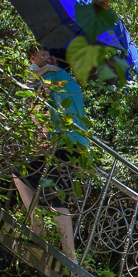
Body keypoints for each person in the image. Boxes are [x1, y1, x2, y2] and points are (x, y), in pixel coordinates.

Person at [12, 46, 90, 263]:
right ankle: (43, 232)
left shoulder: (53, 72)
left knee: (43, 188)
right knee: (45, 187)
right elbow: (47, 109)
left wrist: (42, 65)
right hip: (73, 145)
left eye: (47, 55)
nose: (43, 58)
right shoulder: (68, 83)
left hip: (66, 143)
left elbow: (26, 81)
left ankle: (63, 251)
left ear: (54, 60)